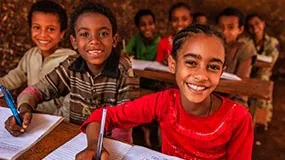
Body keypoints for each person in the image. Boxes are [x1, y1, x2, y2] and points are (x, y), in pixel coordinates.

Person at [76, 25, 254, 160]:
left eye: (213, 67)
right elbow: (103, 116)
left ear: (221, 72)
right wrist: (93, 146)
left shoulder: (238, 118)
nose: (201, 75)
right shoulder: (164, 102)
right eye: (191, 62)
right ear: (172, 64)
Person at [4, 2, 139, 144]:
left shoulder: (125, 71)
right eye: (84, 34)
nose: (94, 41)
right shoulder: (71, 65)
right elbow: (35, 91)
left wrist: (100, 148)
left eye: (103, 33)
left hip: (109, 145)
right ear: (74, 42)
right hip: (72, 139)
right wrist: (24, 109)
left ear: (114, 40)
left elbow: (124, 126)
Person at [0, 0, 76, 115]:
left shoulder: (70, 60)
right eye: (37, 27)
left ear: (62, 33)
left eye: (51, 29)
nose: (43, 35)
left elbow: (70, 102)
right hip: (29, 111)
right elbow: (14, 77)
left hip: (54, 119)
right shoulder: (31, 55)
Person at [216, 7, 256, 106]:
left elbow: (240, 83)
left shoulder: (246, 48)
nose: (224, 32)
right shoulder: (214, 45)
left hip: (234, 98)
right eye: (221, 27)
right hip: (213, 94)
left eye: (230, 27)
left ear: (240, 29)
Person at [245, 14, 280, 126]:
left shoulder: (273, 42)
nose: (254, 28)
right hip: (247, 78)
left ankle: (258, 126)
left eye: (257, 23)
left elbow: (269, 63)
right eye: (250, 26)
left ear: (263, 23)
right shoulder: (245, 42)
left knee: (260, 111)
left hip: (262, 79)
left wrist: (251, 60)